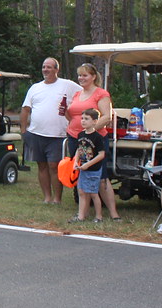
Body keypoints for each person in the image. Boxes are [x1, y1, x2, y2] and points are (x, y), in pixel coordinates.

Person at [19, 58, 82, 204]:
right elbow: (25, 109)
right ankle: (47, 197)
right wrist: (23, 131)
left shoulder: (67, 85)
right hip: (36, 133)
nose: (45, 70)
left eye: (49, 67)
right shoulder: (35, 88)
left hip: (58, 135)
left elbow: (85, 93)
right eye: (43, 67)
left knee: (54, 166)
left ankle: (57, 198)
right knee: (41, 165)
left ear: (56, 70)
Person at [65, 62, 121, 221]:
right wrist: (64, 113)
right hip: (75, 136)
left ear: (93, 76)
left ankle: (113, 213)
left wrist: (91, 131)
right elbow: (73, 116)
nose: (81, 78)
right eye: (79, 75)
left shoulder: (101, 94)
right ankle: (83, 213)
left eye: (85, 75)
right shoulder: (77, 94)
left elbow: (106, 116)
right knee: (80, 172)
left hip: (94, 139)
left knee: (101, 175)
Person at [68, 108, 106, 223]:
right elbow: (79, 150)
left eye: (86, 119)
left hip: (93, 169)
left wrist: (89, 164)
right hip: (83, 168)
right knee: (81, 191)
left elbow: (101, 154)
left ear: (94, 121)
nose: (83, 121)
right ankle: (81, 216)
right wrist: (76, 162)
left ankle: (99, 216)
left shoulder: (97, 137)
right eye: (82, 118)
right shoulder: (80, 134)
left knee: (93, 193)